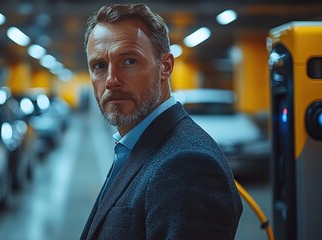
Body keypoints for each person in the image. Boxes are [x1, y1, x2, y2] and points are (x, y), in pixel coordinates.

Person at [81, 3, 243, 240]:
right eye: (99, 66)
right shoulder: (137, 145)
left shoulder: (187, 165)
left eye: (129, 61)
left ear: (165, 67)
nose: (111, 80)